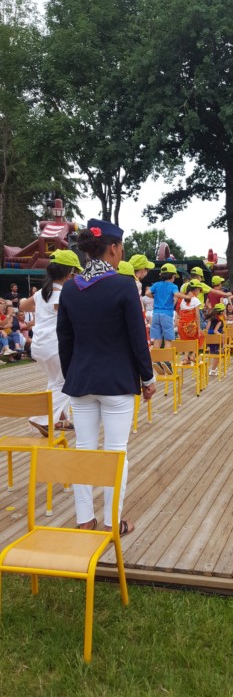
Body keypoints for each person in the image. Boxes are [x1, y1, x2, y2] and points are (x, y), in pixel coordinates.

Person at [57, 219, 156, 534]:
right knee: (116, 453)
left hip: (81, 381)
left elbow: (65, 339)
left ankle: (85, 520)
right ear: (112, 248)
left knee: (84, 450)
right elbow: (138, 338)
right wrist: (148, 378)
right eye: (121, 248)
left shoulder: (70, 287)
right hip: (117, 383)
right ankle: (113, 524)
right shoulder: (124, 285)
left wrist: (72, 375)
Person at [19, 250, 83, 434]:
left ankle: (61, 419)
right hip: (55, 346)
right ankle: (41, 418)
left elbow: (22, 305)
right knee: (67, 382)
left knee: (55, 381)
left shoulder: (43, 293)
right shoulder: (64, 294)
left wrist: (39, 306)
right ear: (70, 273)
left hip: (39, 346)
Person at [147, 263, 189, 347]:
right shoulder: (173, 286)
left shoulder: (156, 284)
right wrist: (187, 297)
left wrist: (155, 297)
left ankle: (156, 356)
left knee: (157, 339)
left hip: (156, 314)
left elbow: (147, 293)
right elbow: (176, 294)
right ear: (173, 276)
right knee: (168, 339)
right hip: (167, 314)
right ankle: (167, 356)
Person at [176, 279, 204, 360]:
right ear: (196, 290)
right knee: (200, 336)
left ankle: (185, 358)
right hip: (190, 326)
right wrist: (199, 328)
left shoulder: (182, 299)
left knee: (187, 340)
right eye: (199, 290)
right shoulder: (195, 300)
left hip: (181, 325)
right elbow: (197, 316)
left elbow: (178, 312)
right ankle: (193, 355)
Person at [205, 303, 225, 375]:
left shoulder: (210, 319)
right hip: (216, 340)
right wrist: (222, 336)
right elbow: (215, 331)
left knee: (213, 353)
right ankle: (213, 370)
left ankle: (214, 368)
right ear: (222, 312)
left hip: (209, 339)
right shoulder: (219, 321)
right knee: (218, 354)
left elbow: (206, 330)